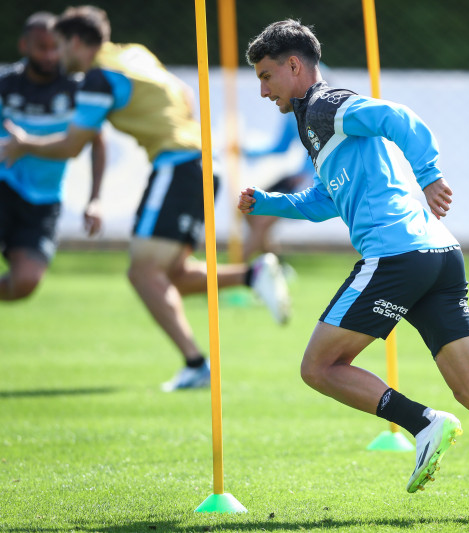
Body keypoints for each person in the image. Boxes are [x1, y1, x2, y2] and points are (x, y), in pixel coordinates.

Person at [238, 20, 469, 521]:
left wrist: (430, 175)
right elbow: (325, 200)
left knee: (318, 367)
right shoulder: (313, 121)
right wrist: (268, 203)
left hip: (396, 255)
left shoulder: (327, 104)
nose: (263, 91)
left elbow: (399, 118)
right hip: (439, 253)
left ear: (294, 66)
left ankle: (422, 423)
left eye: (266, 76)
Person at [0, 6, 290, 391]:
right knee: (169, 274)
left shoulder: (97, 78)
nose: (58, 56)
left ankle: (196, 365)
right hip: (204, 162)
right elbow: (184, 93)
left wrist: (23, 144)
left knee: (142, 272)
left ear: (75, 41)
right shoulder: (133, 53)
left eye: (60, 45)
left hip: (178, 165)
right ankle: (253, 275)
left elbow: (72, 145)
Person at [0, 11, 105, 302]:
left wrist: (95, 199)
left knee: (25, 282)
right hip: (4, 184)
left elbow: (98, 143)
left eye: (54, 47)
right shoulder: (5, 85)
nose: (49, 55)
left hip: (44, 198)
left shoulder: (77, 87)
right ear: (24, 46)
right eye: (41, 47)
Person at [241, 112, 315, 261]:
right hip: (296, 177)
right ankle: (275, 263)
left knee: (262, 222)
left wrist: (308, 173)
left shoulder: (318, 110)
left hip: (311, 180)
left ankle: (238, 267)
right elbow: (281, 147)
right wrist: (246, 151)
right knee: (248, 208)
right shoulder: (290, 114)